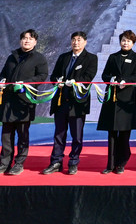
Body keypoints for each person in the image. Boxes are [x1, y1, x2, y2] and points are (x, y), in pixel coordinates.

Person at [0, 29, 49, 176]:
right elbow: (3, 73)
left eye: (30, 38)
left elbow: (42, 76)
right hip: (8, 100)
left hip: (24, 101)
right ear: (20, 40)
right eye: (24, 38)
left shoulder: (39, 58)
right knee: (6, 134)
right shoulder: (12, 56)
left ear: (35, 42)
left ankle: (19, 163)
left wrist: (26, 83)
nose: (27, 41)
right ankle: (4, 163)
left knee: (22, 134)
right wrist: (1, 81)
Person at [41, 31, 98, 176]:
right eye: (73, 40)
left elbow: (88, 76)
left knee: (76, 135)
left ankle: (73, 162)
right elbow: (54, 75)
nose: (75, 43)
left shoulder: (91, 58)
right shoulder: (63, 57)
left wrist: (74, 82)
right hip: (61, 101)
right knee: (59, 134)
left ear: (85, 42)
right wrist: (58, 81)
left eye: (79, 40)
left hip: (77, 103)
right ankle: (56, 162)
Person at [97, 30, 136, 174]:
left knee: (124, 133)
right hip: (112, 98)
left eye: (128, 41)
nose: (125, 43)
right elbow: (104, 74)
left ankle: (122, 162)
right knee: (111, 134)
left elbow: (135, 76)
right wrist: (110, 79)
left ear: (133, 43)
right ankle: (110, 165)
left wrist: (126, 81)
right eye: (123, 40)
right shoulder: (113, 57)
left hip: (126, 99)